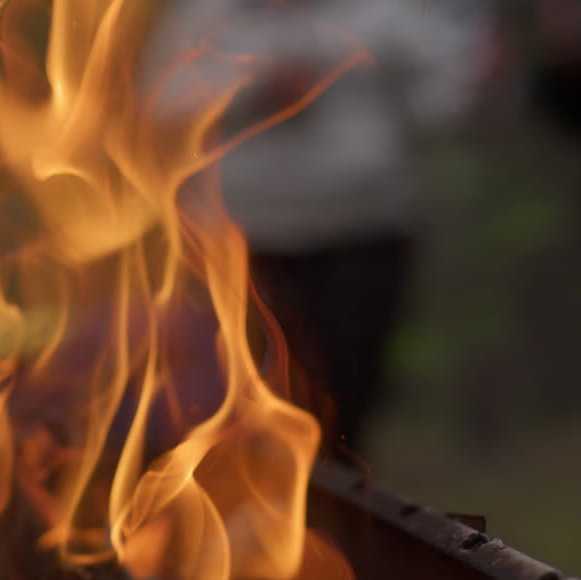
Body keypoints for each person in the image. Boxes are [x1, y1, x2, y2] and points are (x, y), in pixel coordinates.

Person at [145, 0, 495, 453]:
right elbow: (162, 102)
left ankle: (332, 503)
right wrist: (255, 88)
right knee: (257, 388)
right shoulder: (208, 14)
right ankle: (261, 495)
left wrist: (480, 79)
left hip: (363, 229)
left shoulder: (382, 11)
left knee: (347, 388)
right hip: (246, 238)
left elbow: (440, 101)